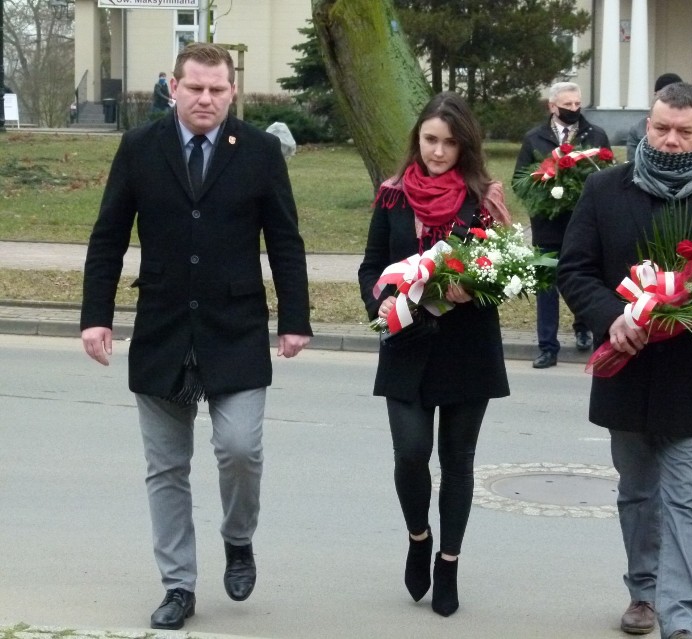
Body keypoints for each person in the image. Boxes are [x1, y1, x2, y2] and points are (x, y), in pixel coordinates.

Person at [80, 43, 312, 630]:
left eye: (216, 89)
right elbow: (108, 236)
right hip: (162, 328)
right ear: (173, 88)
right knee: (166, 467)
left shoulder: (258, 152)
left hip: (234, 329)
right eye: (194, 88)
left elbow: (284, 240)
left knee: (239, 448)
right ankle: (178, 586)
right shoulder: (139, 148)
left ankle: (238, 538)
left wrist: (295, 319)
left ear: (231, 92)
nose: (205, 98)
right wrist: (95, 315)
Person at [558, 82, 692, 639]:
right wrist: (612, 317)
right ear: (645, 128)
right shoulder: (605, 190)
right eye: (661, 129)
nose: (671, 141)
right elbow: (575, 270)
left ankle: (681, 623)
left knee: (685, 498)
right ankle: (644, 592)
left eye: (684, 131)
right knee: (637, 492)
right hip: (626, 369)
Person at [358, 91, 511, 617]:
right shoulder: (393, 196)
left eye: (449, 142)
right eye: (430, 140)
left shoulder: (482, 199)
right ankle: (419, 536)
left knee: (458, 461)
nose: (438, 151)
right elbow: (370, 266)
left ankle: (448, 561)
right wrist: (384, 304)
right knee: (410, 454)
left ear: (464, 145)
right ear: (416, 140)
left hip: (467, 349)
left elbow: (507, 275)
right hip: (406, 345)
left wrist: (478, 286)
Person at [513, 81, 611, 368]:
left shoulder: (595, 135)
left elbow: (609, 175)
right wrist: (544, 191)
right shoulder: (535, 139)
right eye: (567, 105)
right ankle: (547, 347)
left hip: (585, 226)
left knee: (586, 280)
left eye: (577, 104)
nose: (573, 110)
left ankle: (584, 328)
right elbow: (519, 180)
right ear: (552, 106)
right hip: (547, 226)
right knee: (546, 286)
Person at [625, 73, 692, 167]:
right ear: (648, 127)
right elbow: (634, 164)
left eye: (686, 131)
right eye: (661, 129)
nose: (671, 141)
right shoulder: (637, 130)